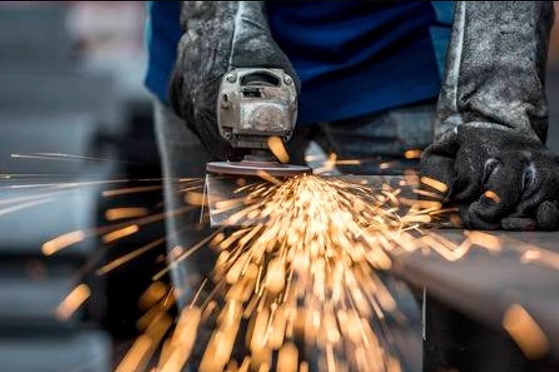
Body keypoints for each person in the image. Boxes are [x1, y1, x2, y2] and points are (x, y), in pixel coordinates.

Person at [144, 1, 559, 370]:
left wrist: (495, 107)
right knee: (225, 330)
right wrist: (215, 21)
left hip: (394, 52)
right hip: (210, 69)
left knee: (445, 326)